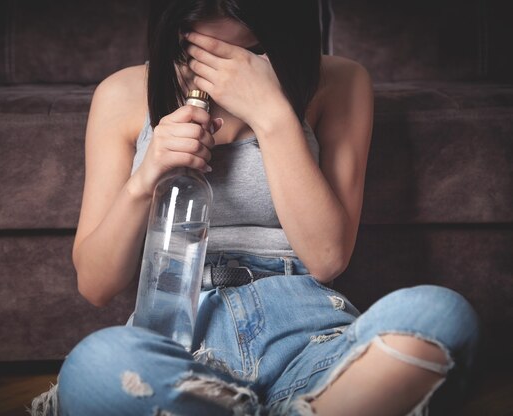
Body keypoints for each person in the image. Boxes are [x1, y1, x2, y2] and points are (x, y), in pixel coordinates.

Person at [30, 0, 479, 414]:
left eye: (253, 50)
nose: (222, 71)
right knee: (94, 364)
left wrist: (272, 113)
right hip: (179, 350)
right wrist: (144, 180)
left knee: (440, 313)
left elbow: (327, 258)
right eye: (195, 49)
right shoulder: (122, 92)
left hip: (308, 338)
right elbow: (96, 284)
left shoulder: (339, 81)